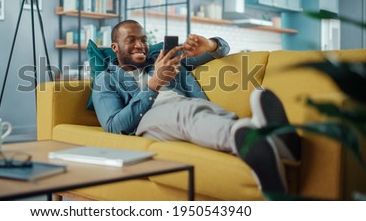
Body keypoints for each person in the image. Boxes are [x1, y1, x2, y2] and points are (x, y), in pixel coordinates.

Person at [92, 19, 301, 194]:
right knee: (185, 113)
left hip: (192, 105)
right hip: (149, 118)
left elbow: (222, 50)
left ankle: (269, 139)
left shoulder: (165, 59)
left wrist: (209, 45)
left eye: (143, 39)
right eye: (131, 40)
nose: (140, 45)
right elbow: (114, 125)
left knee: (205, 112)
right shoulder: (107, 79)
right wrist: (154, 85)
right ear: (115, 47)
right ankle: (246, 139)